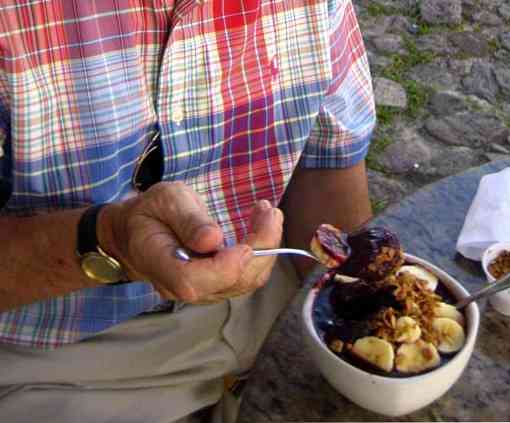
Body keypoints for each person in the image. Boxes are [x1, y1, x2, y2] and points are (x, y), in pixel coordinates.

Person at [0, 0, 375, 422]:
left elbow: (327, 166)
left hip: (274, 308)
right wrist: (107, 241)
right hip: (54, 367)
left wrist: (366, 308)